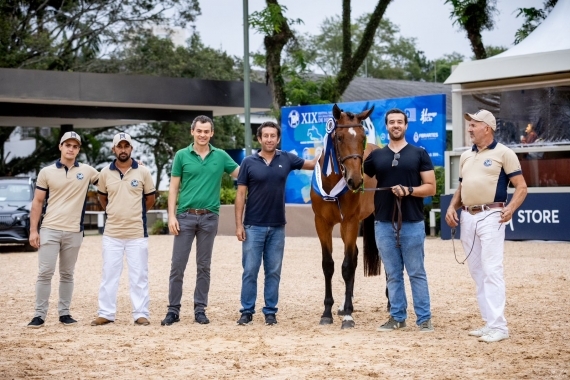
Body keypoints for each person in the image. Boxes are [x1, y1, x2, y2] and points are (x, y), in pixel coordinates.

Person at [445, 109, 527, 343]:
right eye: (469, 125)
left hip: (492, 215)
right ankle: (489, 322)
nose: (469, 128)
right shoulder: (465, 156)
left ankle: (499, 327)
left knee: (492, 269)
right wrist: (452, 207)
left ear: (487, 128)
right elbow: (462, 188)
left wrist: (510, 208)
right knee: (477, 271)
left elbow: (521, 187)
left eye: (473, 125)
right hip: (468, 216)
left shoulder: (504, 153)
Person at [235, 121, 317, 326]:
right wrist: (238, 225)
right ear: (259, 138)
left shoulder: (287, 158)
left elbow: (313, 164)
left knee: (273, 271)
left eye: (273, 136)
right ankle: (247, 311)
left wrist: (328, 143)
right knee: (250, 270)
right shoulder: (248, 162)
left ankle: (270, 311)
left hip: (278, 226)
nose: (269, 139)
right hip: (253, 226)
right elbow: (241, 194)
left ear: (278, 138)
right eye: (266, 136)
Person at [363, 108, 436, 333]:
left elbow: (431, 187)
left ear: (406, 126)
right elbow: (357, 180)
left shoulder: (419, 153)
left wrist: (409, 190)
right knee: (393, 274)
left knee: (416, 272)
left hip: (412, 222)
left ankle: (424, 319)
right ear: (386, 126)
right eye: (391, 122)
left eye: (400, 122)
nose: (396, 125)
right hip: (383, 223)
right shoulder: (376, 157)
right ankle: (397, 317)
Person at [161, 115, 239, 326]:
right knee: (177, 265)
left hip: (209, 218)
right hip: (185, 217)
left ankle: (200, 309)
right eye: (199, 131)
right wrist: (171, 216)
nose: (203, 135)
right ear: (192, 132)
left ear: (211, 133)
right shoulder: (181, 156)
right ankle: (173, 310)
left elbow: (241, 173)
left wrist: (265, 165)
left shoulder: (221, 156)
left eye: (207, 131)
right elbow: (174, 188)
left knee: (204, 266)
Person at [27, 131, 99, 328]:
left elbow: (111, 182)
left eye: (75, 146)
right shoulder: (46, 172)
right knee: (45, 272)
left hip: (74, 231)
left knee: (67, 274)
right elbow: (38, 202)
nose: (71, 149)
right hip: (49, 228)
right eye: (67, 145)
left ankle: (65, 313)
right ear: (60, 146)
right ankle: (39, 315)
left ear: (78, 150)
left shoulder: (88, 171)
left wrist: (136, 170)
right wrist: (34, 230)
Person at [91, 132, 156, 326]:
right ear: (114, 149)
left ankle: (140, 314)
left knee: (139, 276)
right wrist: (114, 211)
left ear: (131, 149)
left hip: (137, 233)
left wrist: (135, 213)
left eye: (126, 146)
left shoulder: (143, 172)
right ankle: (106, 313)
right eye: (119, 146)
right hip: (112, 234)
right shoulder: (104, 173)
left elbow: (150, 199)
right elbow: (102, 198)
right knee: (109, 275)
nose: (123, 149)